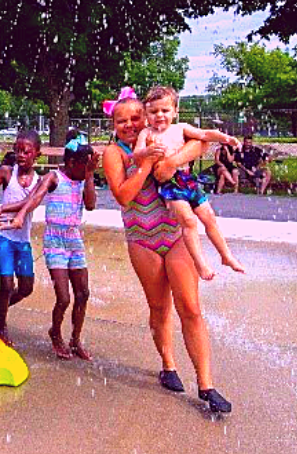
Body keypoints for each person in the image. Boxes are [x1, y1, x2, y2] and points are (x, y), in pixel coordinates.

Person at [103, 94, 233, 414]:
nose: (131, 125)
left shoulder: (162, 135)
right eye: (122, 120)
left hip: (174, 235)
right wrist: (147, 163)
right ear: (113, 125)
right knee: (159, 306)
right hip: (142, 238)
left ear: (146, 117)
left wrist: (173, 161)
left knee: (190, 307)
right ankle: (168, 364)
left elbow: (200, 144)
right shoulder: (115, 153)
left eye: (136, 118)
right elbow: (123, 195)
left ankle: (207, 385)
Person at [3, 135, 98, 360]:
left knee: (83, 293)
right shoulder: (54, 177)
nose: (86, 170)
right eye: (84, 166)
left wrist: (90, 174)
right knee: (64, 297)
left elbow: (92, 205)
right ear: (72, 163)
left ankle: (75, 339)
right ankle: (55, 333)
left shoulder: (84, 178)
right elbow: (35, 198)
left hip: (74, 240)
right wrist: (21, 214)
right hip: (55, 242)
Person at [135, 86, 244, 281]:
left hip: (187, 179)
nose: (159, 115)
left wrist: (225, 139)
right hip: (169, 184)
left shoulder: (181, 128)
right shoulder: (146, 134)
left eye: (165, 110)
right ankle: (201, 264)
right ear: (146, 114)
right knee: (189, 221)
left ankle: (226, 256)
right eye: (153, 112)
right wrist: (147, 152)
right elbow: (136, 155)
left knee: (209, 216)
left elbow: (204, 135)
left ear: (175, 111)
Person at [0, 130, 42, 346]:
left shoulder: (41, 181)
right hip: (3, 236)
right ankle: (1, 325)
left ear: (37, 154)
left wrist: (2, 208)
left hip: (22, 239)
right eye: (18, 150)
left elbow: (29, 203)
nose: (21, 155)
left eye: (26, 152)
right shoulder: (6, 172)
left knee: (26, 287)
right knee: (7, 283)